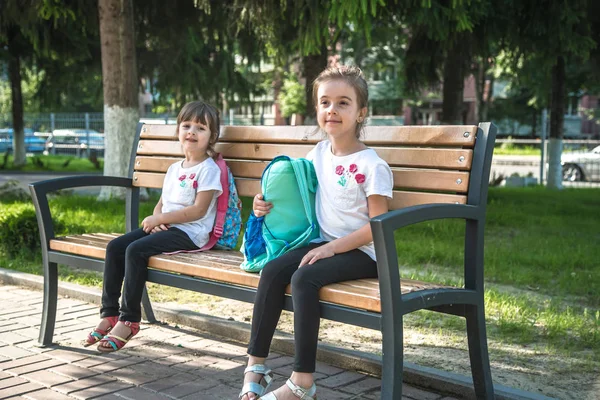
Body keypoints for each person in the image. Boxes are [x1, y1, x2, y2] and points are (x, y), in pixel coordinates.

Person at [239, 66, 394, 400]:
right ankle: (256, 366)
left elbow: (378, 227)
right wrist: (263, 203)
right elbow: (297, 196)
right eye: (325, 102)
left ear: (360, 112)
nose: (332, 110)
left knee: (302, 279)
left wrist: (332, 249)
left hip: (365, 254)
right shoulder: (319, 153)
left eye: (343, 103)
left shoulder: (372, 165)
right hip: (322, 244)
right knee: (272, 271)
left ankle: (302, 381)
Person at [84, 101, 223, 353]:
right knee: (116, 247)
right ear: (179, 131)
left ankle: (129, 320)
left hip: (191, 233)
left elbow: (199, 211)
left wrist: (160, 220)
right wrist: (158, 217)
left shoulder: (209, 170)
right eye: (187, 125)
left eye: (201, 128)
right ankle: (109, 314)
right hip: (168, 227)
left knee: (135, 250)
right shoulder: (174, 169)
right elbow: (161, 204)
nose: (192, 132)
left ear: (212, 137)